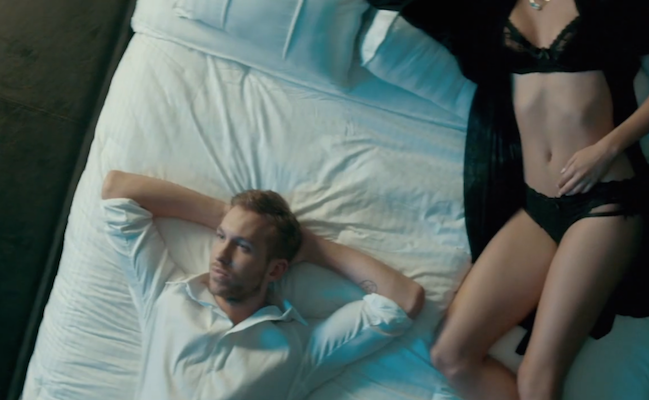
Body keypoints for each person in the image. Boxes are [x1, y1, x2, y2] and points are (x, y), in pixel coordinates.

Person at [367, 1, 649, 399]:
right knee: (451, 355)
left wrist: (607, 148)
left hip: (604, 201)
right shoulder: (492, 8)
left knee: (537, 379)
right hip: (537, 208)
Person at [100, 170, 425, 400]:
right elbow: (118, 190)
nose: (221, 255)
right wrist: (230, 216)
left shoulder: (299, 349)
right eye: (220, 237)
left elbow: (403, 299)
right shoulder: (166, 294)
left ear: (277, 269)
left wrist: (312, 249)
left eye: (243, 247)